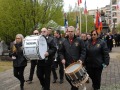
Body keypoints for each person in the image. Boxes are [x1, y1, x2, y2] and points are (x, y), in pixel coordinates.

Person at [59, 26, 86, 90]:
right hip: (68, 64)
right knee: (68, 78)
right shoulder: (64, 41)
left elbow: (83, 51)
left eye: (72, 31)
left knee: (76, 80)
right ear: (67, 32)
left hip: (76, 64)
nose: (70, 33)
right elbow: (60, 52)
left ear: (74, 32)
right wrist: (62, 58)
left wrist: (81, 59)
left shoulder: (79, 40)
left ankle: (74, 87)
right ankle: (74, 86)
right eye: (69, 31)